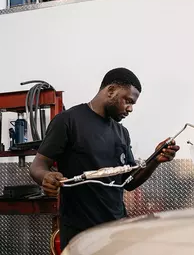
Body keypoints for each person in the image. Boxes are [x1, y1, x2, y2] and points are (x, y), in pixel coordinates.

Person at [29, 67, 180, 251]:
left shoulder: (122, 132)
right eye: (128, 101)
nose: (130, 108)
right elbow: (38, 165)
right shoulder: (68, 121)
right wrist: (45, 176)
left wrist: (156, 159)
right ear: (111, 91)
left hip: (116, 229)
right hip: (80, 232)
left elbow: (129, 182)